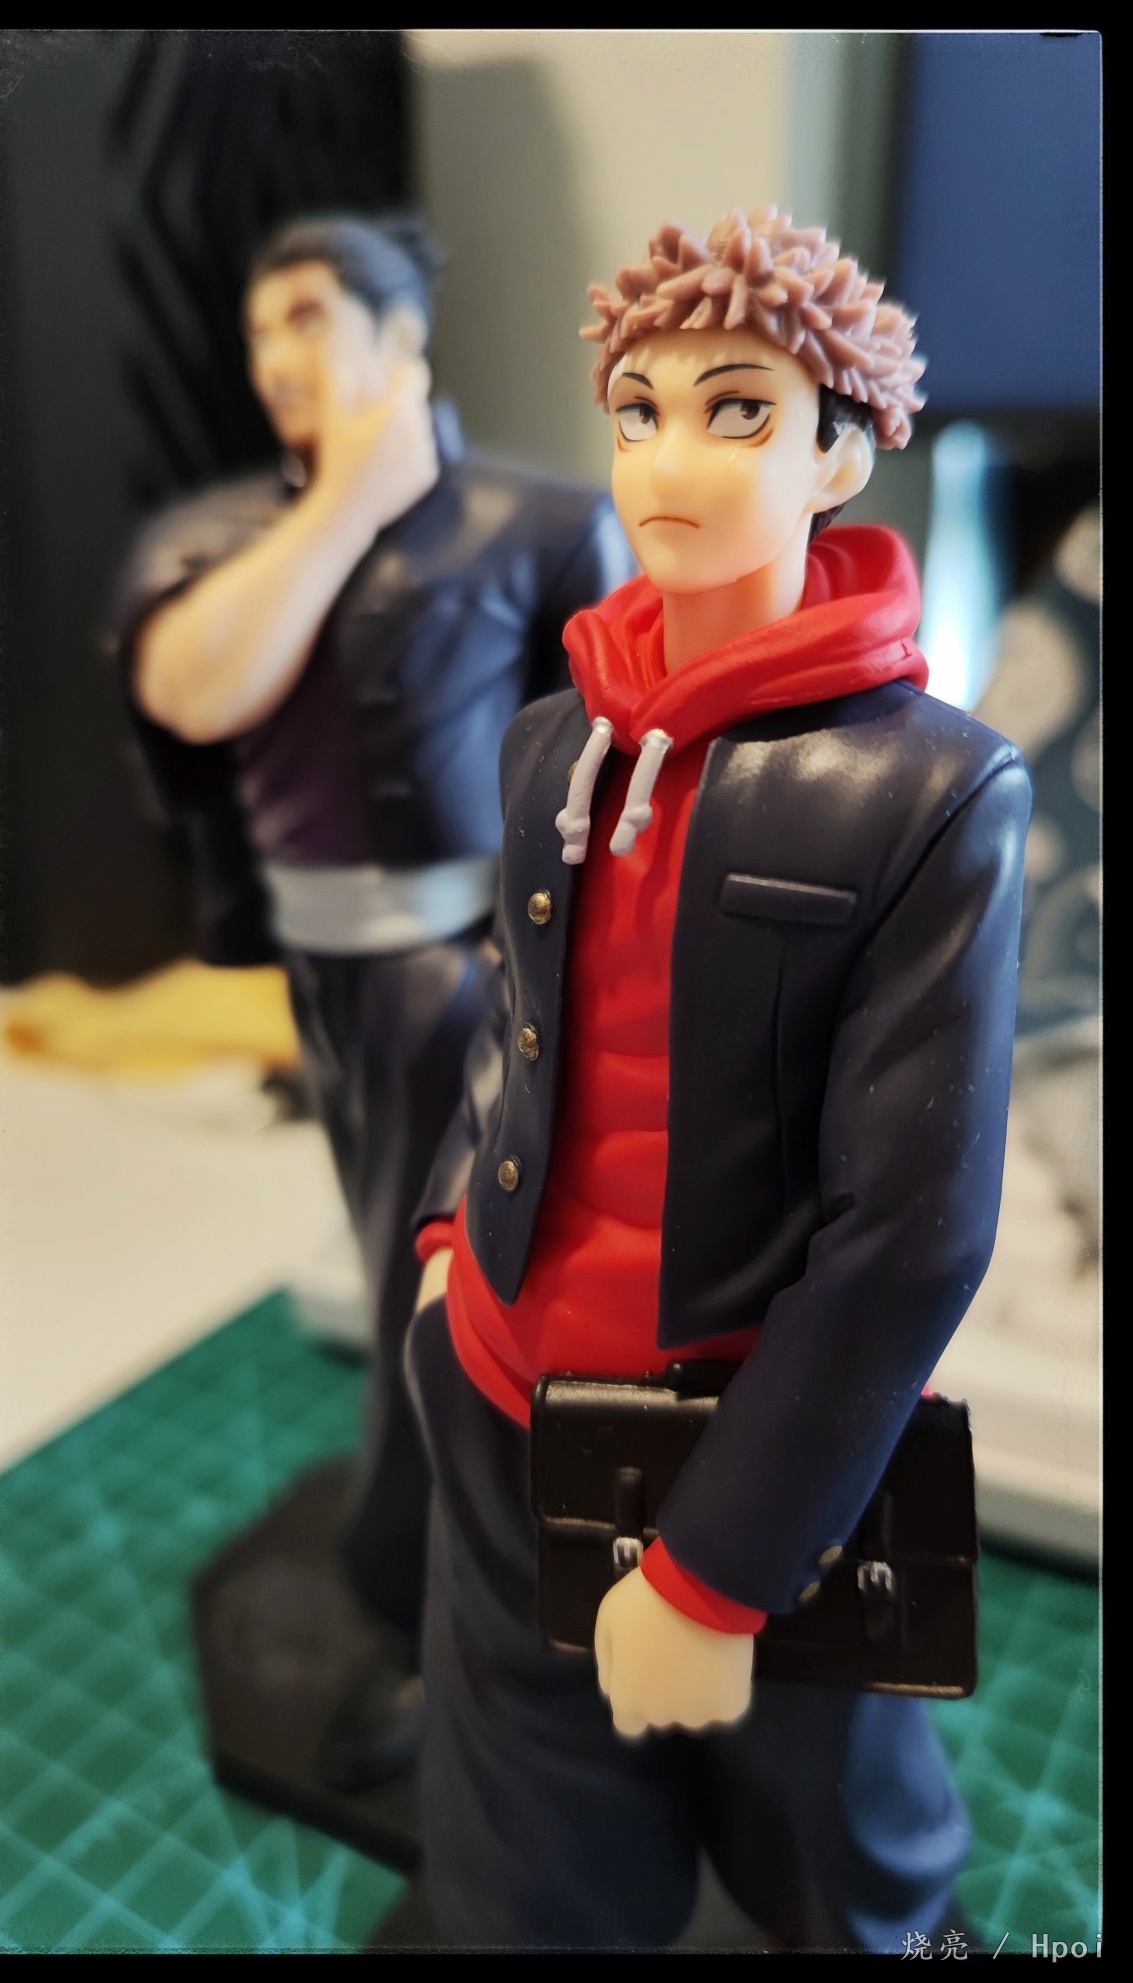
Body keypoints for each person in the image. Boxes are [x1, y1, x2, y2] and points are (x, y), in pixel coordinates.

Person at [407, 207, 1031, 1950]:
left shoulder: (930, 796)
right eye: (639, 408)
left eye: (736, 410)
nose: (669, 459)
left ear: (839, 452)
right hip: (505, 1387)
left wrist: (721, 1565)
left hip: (763, 1446)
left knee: (845, 1856)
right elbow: (511, 1023)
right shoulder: (553, 740)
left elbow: (910, 1235)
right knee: (527, 1851)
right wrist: (451, 1249)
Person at [109, 213, 633, 1787]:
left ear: (404, 338)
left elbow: (611, 771)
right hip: (321, 982)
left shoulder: (540, 519)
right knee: (390, 1273)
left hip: (471, 977)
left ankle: (431, 1620)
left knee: (442, 1311)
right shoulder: (224, 536)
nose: (276, 356)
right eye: (257, 327)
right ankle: (438, 1593)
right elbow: (189, 690)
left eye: (312, 319)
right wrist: (346, 496)